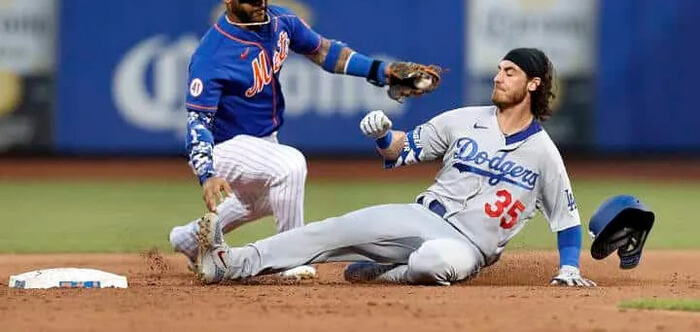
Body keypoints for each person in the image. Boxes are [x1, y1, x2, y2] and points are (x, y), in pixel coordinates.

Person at [192, 47, 596, 287]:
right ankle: (228, 263)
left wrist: (569, 268)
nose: (498, 76)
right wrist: (384, 136)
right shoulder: (463, 119)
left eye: (510, 72)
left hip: (467, 248)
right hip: (420, 216)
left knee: (433, 262)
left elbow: (567, 218)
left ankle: (388, 273)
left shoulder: (544, 153)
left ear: (534, 84)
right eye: (498, 69)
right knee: (331, 229)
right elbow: (403, 152)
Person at [168, 0, 441, 278]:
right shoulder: (211, 55)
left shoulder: (280, 22)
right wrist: (207, 173)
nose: (260, 3)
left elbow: (324, 51)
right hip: (223, 147)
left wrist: (379, 71)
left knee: (263, 200)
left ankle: (187, 239)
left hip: (262, 141)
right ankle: (290, 260)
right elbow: (198, 122)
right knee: (290, 165)